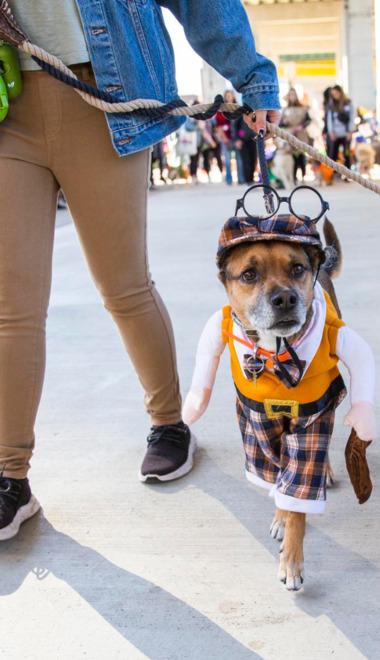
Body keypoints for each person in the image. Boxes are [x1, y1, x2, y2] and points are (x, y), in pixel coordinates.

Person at [0, 0, 281, 541]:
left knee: (123, 286)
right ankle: (11, 476)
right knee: (12, 306)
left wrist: (254, 80)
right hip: (8, 103)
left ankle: (169, 423)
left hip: (105, 99)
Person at [280, 87, 313, 184]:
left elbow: (308, 120)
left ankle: (303, 177)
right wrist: (284, 123)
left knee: (301, 155)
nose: (292, 96)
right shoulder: (285, 110)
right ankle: (294, 178)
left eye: (294, 94)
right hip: (290, 134)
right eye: (290, 95)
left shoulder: (303, 108)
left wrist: (301, 126)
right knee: (292, 157)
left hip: (300, 133)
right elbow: (280, 123)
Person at [324, 85, 356, 170]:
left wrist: (350, 131)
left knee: (347, 154)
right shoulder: (331, 105)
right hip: (335, 133)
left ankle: (348, 173)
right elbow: (329, 120)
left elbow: (351, 118)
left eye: (336, 93)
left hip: (345, 133)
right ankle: (334, 173)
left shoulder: (348, 104)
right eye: (333, 94)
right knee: (333, 154)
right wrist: (331, 132)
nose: (335, 95)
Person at [213, 89, 239, 184]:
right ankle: (229, 179)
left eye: (230, 95)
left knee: (238, 159)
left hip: (235, 138)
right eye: (227, 96)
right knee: (227, 160)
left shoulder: (237, 109)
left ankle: (241, 179)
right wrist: (225, 139)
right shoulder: (221, 111)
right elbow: (218, 126)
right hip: (225, 138)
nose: (228, 97)